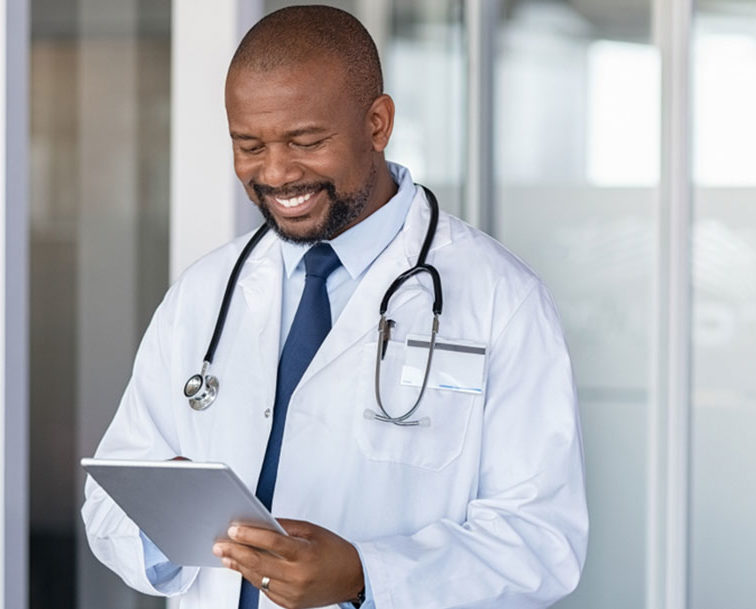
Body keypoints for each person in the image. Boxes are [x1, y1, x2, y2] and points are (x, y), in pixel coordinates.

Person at [82, 6, 588, 609]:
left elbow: (541, 542)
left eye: (307, 141)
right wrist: (169, 517)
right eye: (249, 145)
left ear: (377, 123)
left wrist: (363, 576)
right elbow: (110, 500)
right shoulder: (204, 292)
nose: (275, 173)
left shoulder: (499, 299)